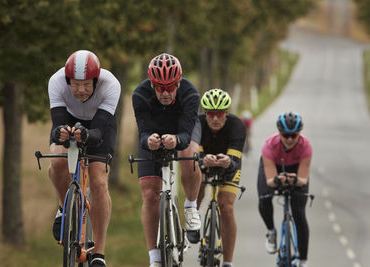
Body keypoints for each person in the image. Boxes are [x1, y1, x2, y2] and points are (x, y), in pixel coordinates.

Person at [48, 50, 120, 267]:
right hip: (69, 118)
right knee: (57, 160)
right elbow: (57, 124)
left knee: (98, 181)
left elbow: (98, 132)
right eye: (76, 84)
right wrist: (60, 132)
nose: (80, 90)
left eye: (87, 84)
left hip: (100, 125)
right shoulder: (56, 82)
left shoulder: (111, 85)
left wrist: (87, 135)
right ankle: (64, 206)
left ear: (96, 81)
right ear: (68, 80)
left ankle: (99, 253)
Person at [132, 53, 202, 267]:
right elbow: (142, 131)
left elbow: (186, 133)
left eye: (170, 87)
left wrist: (177, 139)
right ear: (151, 84)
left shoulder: (190, 94)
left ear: (178, 82)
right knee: (149, 193)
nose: (165, 92)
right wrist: (148, 140)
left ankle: (190, 206)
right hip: (154, 135)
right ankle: (154, 257)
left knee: (189, 151)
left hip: (183, 132)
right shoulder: (140, 95)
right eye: (159, 87)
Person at [197, 89, 246, 267]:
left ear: (226, 113)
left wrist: (227, 163)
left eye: (219, 114)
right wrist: (204, 160)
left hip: (228, 167)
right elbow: (195, 157)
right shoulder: (198, 123)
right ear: (205, 113)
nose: (215, 118)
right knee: (197, 179)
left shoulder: (237, 126)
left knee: (226, 206)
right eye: (210, 113)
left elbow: (235, 161)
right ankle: (192, 219)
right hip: (204, 163)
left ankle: (228, 262)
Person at [257, 112, 312, 267]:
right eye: (285, 135)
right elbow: (269, 180)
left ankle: (303, 261)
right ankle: (271, 232)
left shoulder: (306, 147)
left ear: (299, 134)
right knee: (264, 198)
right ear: (279, 133)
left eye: (293, 136)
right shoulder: (269, 145)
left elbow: (303, 179)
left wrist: (294, 180)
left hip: (296, 170)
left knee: (299, 213)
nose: (289, 139)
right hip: (273, 167)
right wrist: (277, 180)